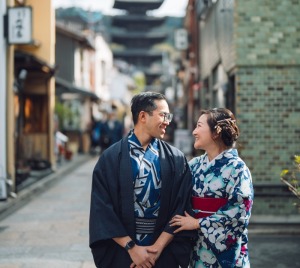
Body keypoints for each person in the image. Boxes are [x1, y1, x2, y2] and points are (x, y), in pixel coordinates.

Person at [89, 92, 196, 268]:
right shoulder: (110, 158)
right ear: (143, 116)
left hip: (162, 252)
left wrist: (156, 249)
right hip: (123, 253)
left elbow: (181, 206)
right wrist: (132, 249)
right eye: (163, 115)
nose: (168, 121)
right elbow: (102, 210)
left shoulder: (176, 158)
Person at [170, 108, 254, 267]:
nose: (194, 131)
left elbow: (239, 213)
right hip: (198, 249)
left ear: (216, 132)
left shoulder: (237, 169)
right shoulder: (194, 165)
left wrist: (197, 223)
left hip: (226, 255)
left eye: (199, 126)